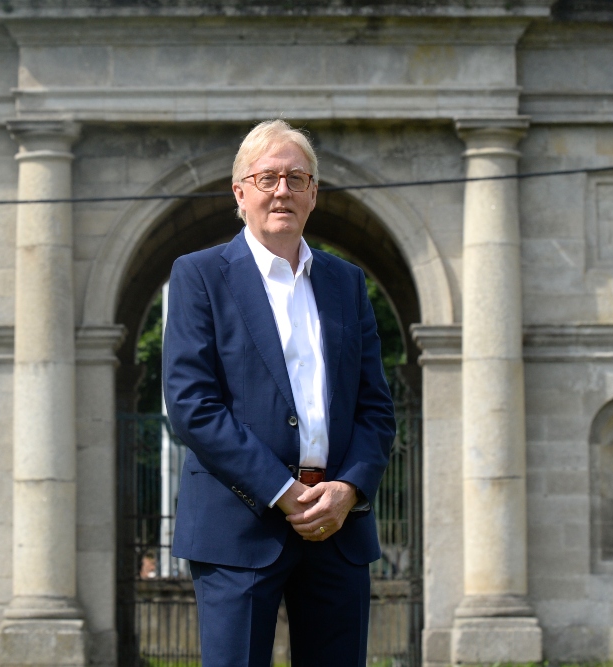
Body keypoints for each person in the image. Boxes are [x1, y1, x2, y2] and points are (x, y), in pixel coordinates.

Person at [162, 119, 396, 667]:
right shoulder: (198, 276)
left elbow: (375, 408)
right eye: (267, 178)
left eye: (297, 178)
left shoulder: (347, 283)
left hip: (337, 527)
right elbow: (193, 406)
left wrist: (350, 489)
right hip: (237, 527)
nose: (282, 191)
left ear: (314, 194)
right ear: (239, 192)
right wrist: (280, 490)